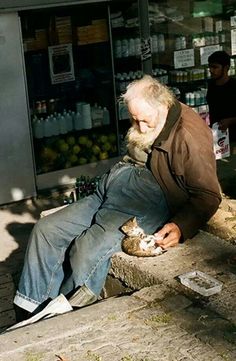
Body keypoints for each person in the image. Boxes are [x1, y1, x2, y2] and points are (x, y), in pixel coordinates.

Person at [13, 75, 221, 322]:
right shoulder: (149, 114)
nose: (140, 127)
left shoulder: (190, 135)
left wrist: (181, 226)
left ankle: (63, 318)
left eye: (145, 121)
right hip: (115, 184)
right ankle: (29, 314)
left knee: (87, 248)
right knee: (46, 230)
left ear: (163, 105)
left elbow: (209, 194)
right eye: (134, 119)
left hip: (149, 196)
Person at [207, 50, 236, 142]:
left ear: (226, 68)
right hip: (217, 135)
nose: (211, 70)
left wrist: (230, 120)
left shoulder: (234, 86)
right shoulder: (211, 85)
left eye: (215, 67)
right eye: (210, 67)